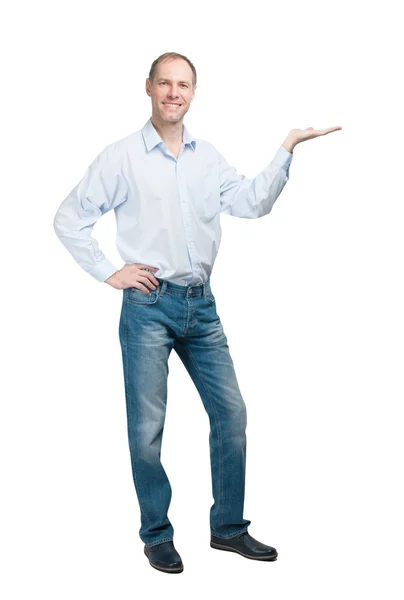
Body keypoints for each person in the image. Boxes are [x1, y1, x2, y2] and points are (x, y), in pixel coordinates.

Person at [53, 51, 342, 574]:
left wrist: (287, 147)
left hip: (200, 306)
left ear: (193, 93)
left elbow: (253, 203)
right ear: (148, 88)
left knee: (231, 413)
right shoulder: (121, 156)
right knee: (147, 428)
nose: (173, 93)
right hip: (147, 305)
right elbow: (69, 219)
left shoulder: (207, 157)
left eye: (182, 84)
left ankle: (228, 528)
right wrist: (107, 271)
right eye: (164, 83)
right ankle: (156, 534)